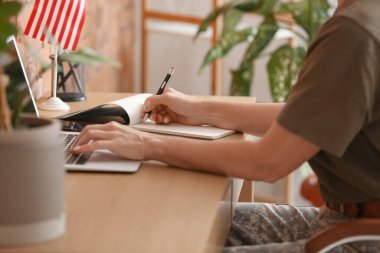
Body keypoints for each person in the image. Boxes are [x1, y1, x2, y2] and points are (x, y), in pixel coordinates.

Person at [73, 0, 380, 252]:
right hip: (343, 218)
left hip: (362, 237)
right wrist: (201, 110)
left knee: (170, 240)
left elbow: (268, 162)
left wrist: (147, 145)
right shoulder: (364, 17)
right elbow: (310, 117)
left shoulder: (354, 31)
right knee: (184, 220)